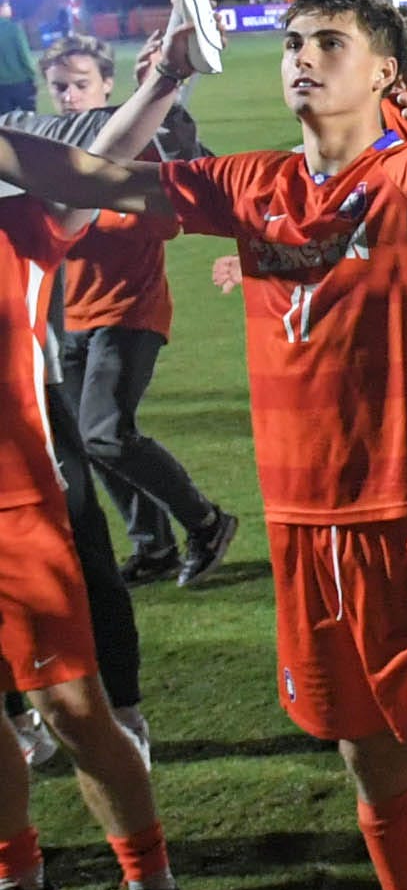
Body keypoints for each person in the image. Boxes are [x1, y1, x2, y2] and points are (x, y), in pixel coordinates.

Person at [0, 0, 407, 890]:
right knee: (370, 759)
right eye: (294, 40)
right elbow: (95, 180)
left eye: (329, 42)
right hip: (306, 528)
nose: (302, 54)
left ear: (385, 74)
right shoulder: (251, 181)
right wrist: (152, 84)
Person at [0, 15, 216, 890]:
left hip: (14, 504)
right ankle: (21, 879)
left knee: (74, 713)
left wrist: (165, 78)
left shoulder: (11, 203)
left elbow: (95, 169)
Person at [40, 40, 235, 589]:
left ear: (108, 85)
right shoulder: (54, 148)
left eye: (82, 83)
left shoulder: (141, 144)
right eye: (60, 87)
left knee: (104, 433)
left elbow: (176, 209)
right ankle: (154, 547)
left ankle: (206, 522)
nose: (71, 96)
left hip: (130, 308)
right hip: (72, 316)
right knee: (90, 439)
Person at [0, 1, 34, 115]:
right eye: (7, 5)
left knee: (5, 123)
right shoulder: (13, 28)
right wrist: (33, 75)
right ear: (2, 8)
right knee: (31, 121)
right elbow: (24, 56)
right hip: (21, 82)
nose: (10, 8)